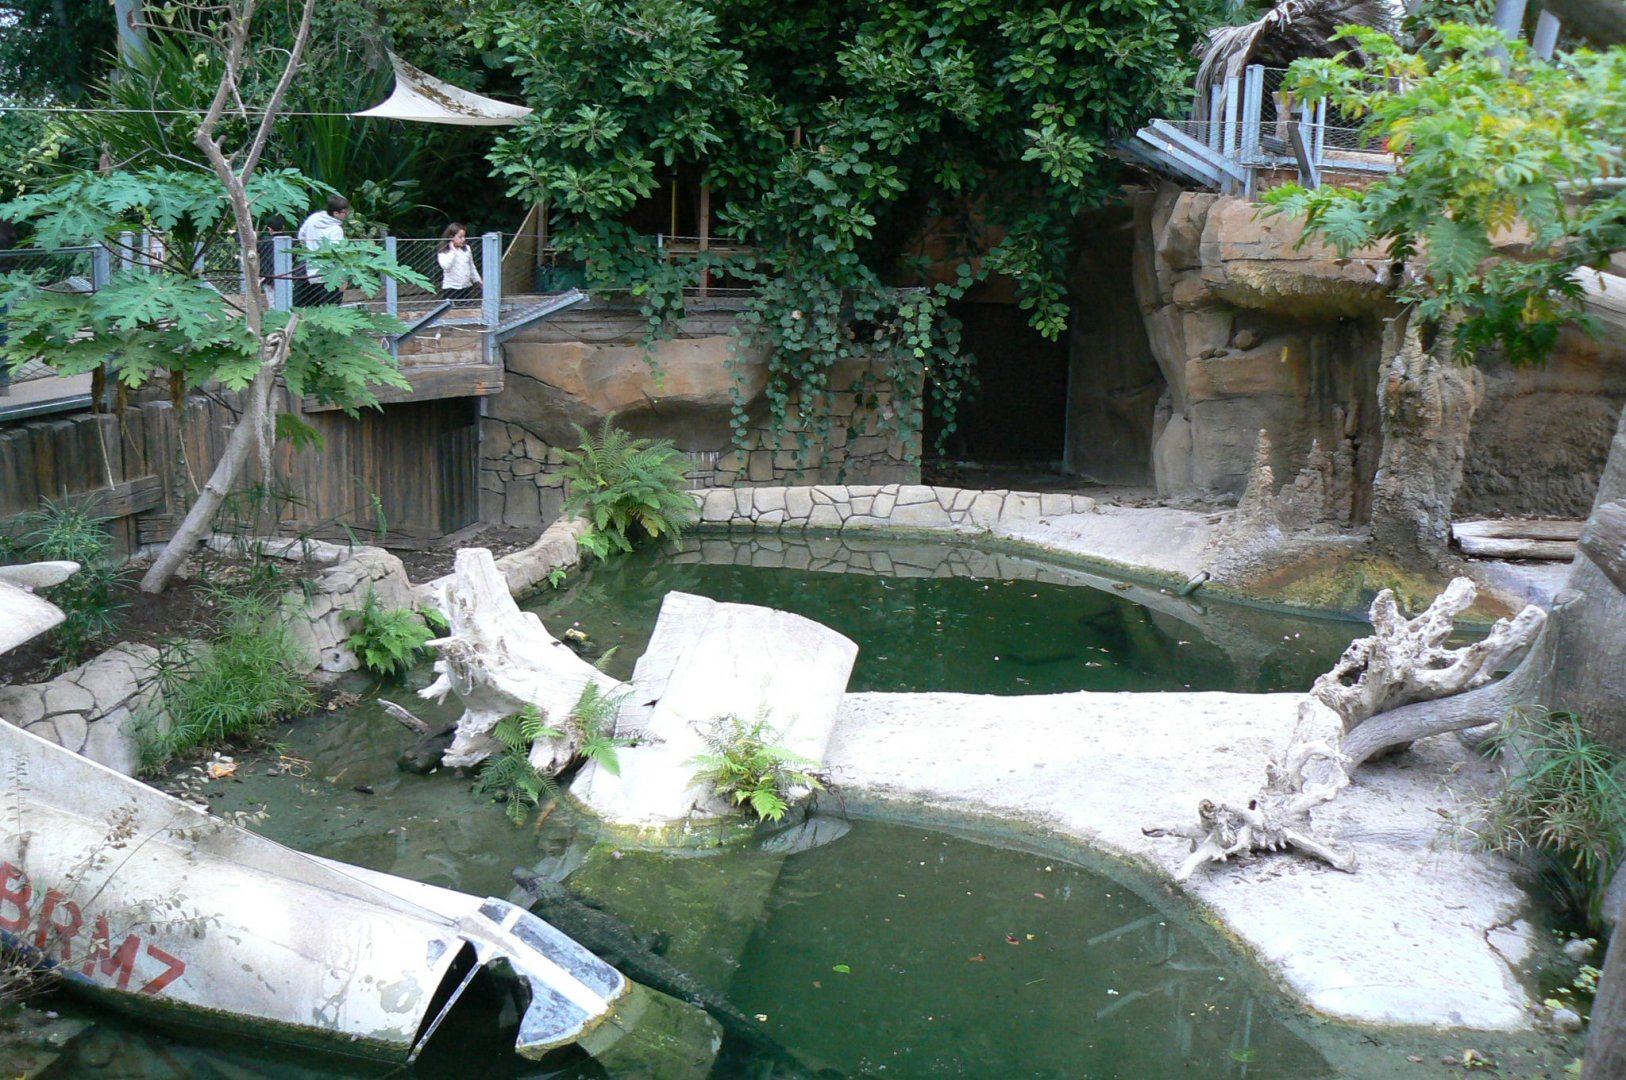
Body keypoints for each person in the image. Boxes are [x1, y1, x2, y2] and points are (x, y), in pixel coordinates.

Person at [295, 195, 349, 307]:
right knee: (329, 310)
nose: (347, 214)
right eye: (344, 212)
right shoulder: (336, 230)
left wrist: (309, 249)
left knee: (311, 309)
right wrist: (343, 278)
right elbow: (337, 254)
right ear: (336, 214)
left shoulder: (314, 218)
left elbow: (301, 235)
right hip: (329, 276)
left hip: (309, 270)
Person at [436, 223, 482, 301]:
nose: (463, 239)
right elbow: (445, 266)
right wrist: (453, 251)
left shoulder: (467, 249)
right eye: (460, 237)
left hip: (466, 286)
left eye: (464, 237)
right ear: (451, 237)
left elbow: (471, 266)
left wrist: (478, 280)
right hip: (451, 288)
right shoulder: (443, 251)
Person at [256, 214, 287, 308]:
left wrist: (234, 234)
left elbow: (247, 244)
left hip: (268, 276)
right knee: (286, 300)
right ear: (283, 227)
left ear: (269, 229)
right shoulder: (290, 241)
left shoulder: (264, 241)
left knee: (272, 301)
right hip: (287, 276)